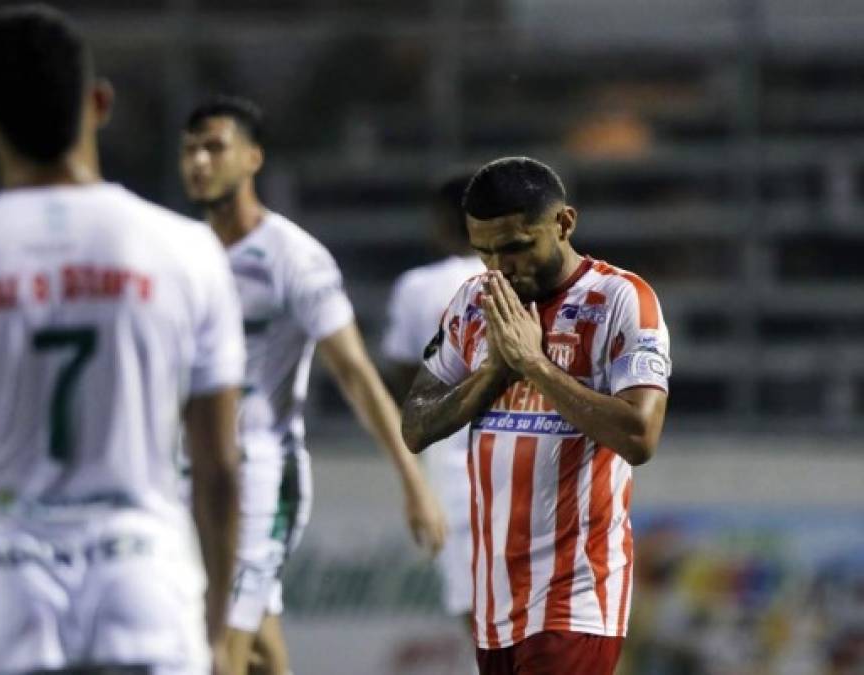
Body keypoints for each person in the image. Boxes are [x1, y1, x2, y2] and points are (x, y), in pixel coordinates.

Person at [0, 6, 243, 675]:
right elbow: (218, 467)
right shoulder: (187, 250)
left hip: (3, 600)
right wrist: (221, 627)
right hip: (145, 589)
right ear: (100, 102)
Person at [178, 95, 446, 675]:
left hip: (260, 476)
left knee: (213, 646)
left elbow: (354, 373)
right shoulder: (181, 254)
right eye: (190, 149)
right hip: (187, 474)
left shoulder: (293, 257)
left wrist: (412, 481)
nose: (199, 161)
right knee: (259, 651)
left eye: (214, 147)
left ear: (252, 159)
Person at [402, 157, 671, 675]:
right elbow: (415, 425)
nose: (500, 266)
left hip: (576, 595)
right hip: (496, 601)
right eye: (485, 252)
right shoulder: (474, 304)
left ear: (564, 223)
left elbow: (640, 435)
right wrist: (492, 377)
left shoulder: (620, 299)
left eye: (517, 246)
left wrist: (533, 365)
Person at [381, 173, 483, 628]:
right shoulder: (526, 281)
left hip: (453, 470)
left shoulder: (418, 288)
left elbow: (404, 380)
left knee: (479, 621)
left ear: (441, 222)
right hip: (529, 459)